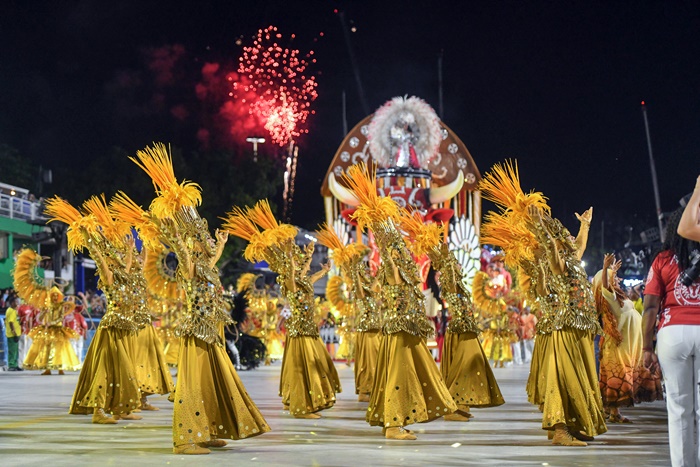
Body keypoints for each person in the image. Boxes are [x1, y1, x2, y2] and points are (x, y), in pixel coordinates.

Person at [128, 143, 270, 454]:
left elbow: (210, 261)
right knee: (193, 384)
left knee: (211, 381)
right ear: (193, 243)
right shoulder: (189, 264)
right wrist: (178, 238)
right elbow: (191, 258)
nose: (211, 239)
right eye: (205, 237)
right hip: (197, 333)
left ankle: (206, 430)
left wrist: (218, 246)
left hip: (211, 331)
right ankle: (185, 439)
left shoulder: (205, 264)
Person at [343, 163, 456, 440]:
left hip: (407, 327)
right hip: (398, 329)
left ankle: (398, 419)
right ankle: (393, 425)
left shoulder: (405, 264)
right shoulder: (391, 265)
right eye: (398, 248)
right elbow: (391, 269)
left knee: (411, 372)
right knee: (398, 374)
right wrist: (387, 243)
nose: (404, 250)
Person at [224, 200, 340, 420]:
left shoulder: (303, 279)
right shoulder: (290, 281)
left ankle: (303, 400)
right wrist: (288, 253)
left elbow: (308, 275)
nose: (303, 264)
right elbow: (296, 273)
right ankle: (301, 405)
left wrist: (322, 270)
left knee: (312, 365)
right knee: (302, 367)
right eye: (298, 263)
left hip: (307, 329)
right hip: (299, 331)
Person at [644, 206, 700, 467]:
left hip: (672, 332)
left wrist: (647, 348)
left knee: (679, 409)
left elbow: (650, 307)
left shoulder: (663, 259)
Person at [594, 253, 662, 423]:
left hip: (627, 344)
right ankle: (613, 413)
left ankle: (612, 413)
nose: (618, 279)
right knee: (617, 375)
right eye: (614, 278)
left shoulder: (618, 297)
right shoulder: (608, 297)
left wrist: (611, 271)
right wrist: (605, 270)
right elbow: (605, 286)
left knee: (621, 375)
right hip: (619, 345)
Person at [4, 296, 23, 371]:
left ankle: (15, 364)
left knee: (16, 350)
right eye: (15, 302)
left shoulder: (14, 310)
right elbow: (11, 323)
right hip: (12, 335)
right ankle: (11, 365)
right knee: (12, 351)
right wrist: (14, 333)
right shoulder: (11, 310)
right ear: (12, 303)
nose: (17, 303)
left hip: (16, 334)